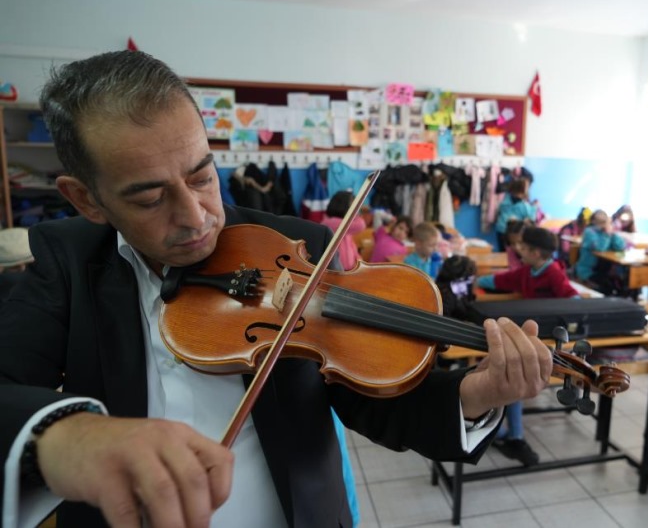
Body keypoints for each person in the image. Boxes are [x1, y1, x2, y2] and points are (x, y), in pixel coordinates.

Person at [0, 51, 553, 528]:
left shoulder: (298, 247)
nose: (195, 217)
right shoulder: (67, 260)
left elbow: (372, 402)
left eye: (200, 175)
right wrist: (69, 435)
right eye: (149, 198)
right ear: (86, 199)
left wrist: (474, 398)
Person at [476, 227, 579, 466]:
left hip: (546, 340)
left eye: (523, 247)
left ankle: (512, 436)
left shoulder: (553, 273)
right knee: (512, 369)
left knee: (515, 372)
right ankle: (510, 434)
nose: (518, 249)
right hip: (528, 336)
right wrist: (478, 280)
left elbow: (572, 297)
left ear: (536, 252)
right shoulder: (527, 271)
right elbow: (502, 279)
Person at [574, 210, 626, 294]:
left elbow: (620, 247)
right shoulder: (589, 232)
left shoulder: (608, 232)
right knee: (607, 287)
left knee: (621, 283)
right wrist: (606, 235)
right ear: (593, 221)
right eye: (601, 222)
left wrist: (613, 234)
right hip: (588, 270)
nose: (603, 225)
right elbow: (600, 248)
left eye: (604, 222)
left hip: (605, 270)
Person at [320, 190, 366, 271]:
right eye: (352, 206)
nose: (355, 210)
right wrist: (356, 211)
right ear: (343, 206)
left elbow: (351, 245)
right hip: (338, 272)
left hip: (350, 270)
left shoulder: (344, 223)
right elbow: (361, 225)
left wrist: (358, 259)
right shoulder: (330, 223)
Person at [493, 178, 537, 251]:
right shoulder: (524, 206)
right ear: (523, 191)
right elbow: (531, 218)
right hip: (513, 232)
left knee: (503, 252)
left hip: (501, 228)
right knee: (514, 252)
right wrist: (535, 207)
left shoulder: (505, 199)